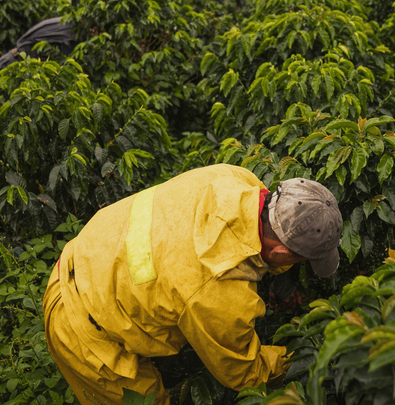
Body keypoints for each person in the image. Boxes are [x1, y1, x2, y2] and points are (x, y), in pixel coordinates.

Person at [42, 164, 343, 404]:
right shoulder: (218, 288)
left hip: (87, 253)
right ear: (280, 253)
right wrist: (307, 357)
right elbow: (243, 371)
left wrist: (282, 280)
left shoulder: (235, 178)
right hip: (80, 326)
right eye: (301, 260)